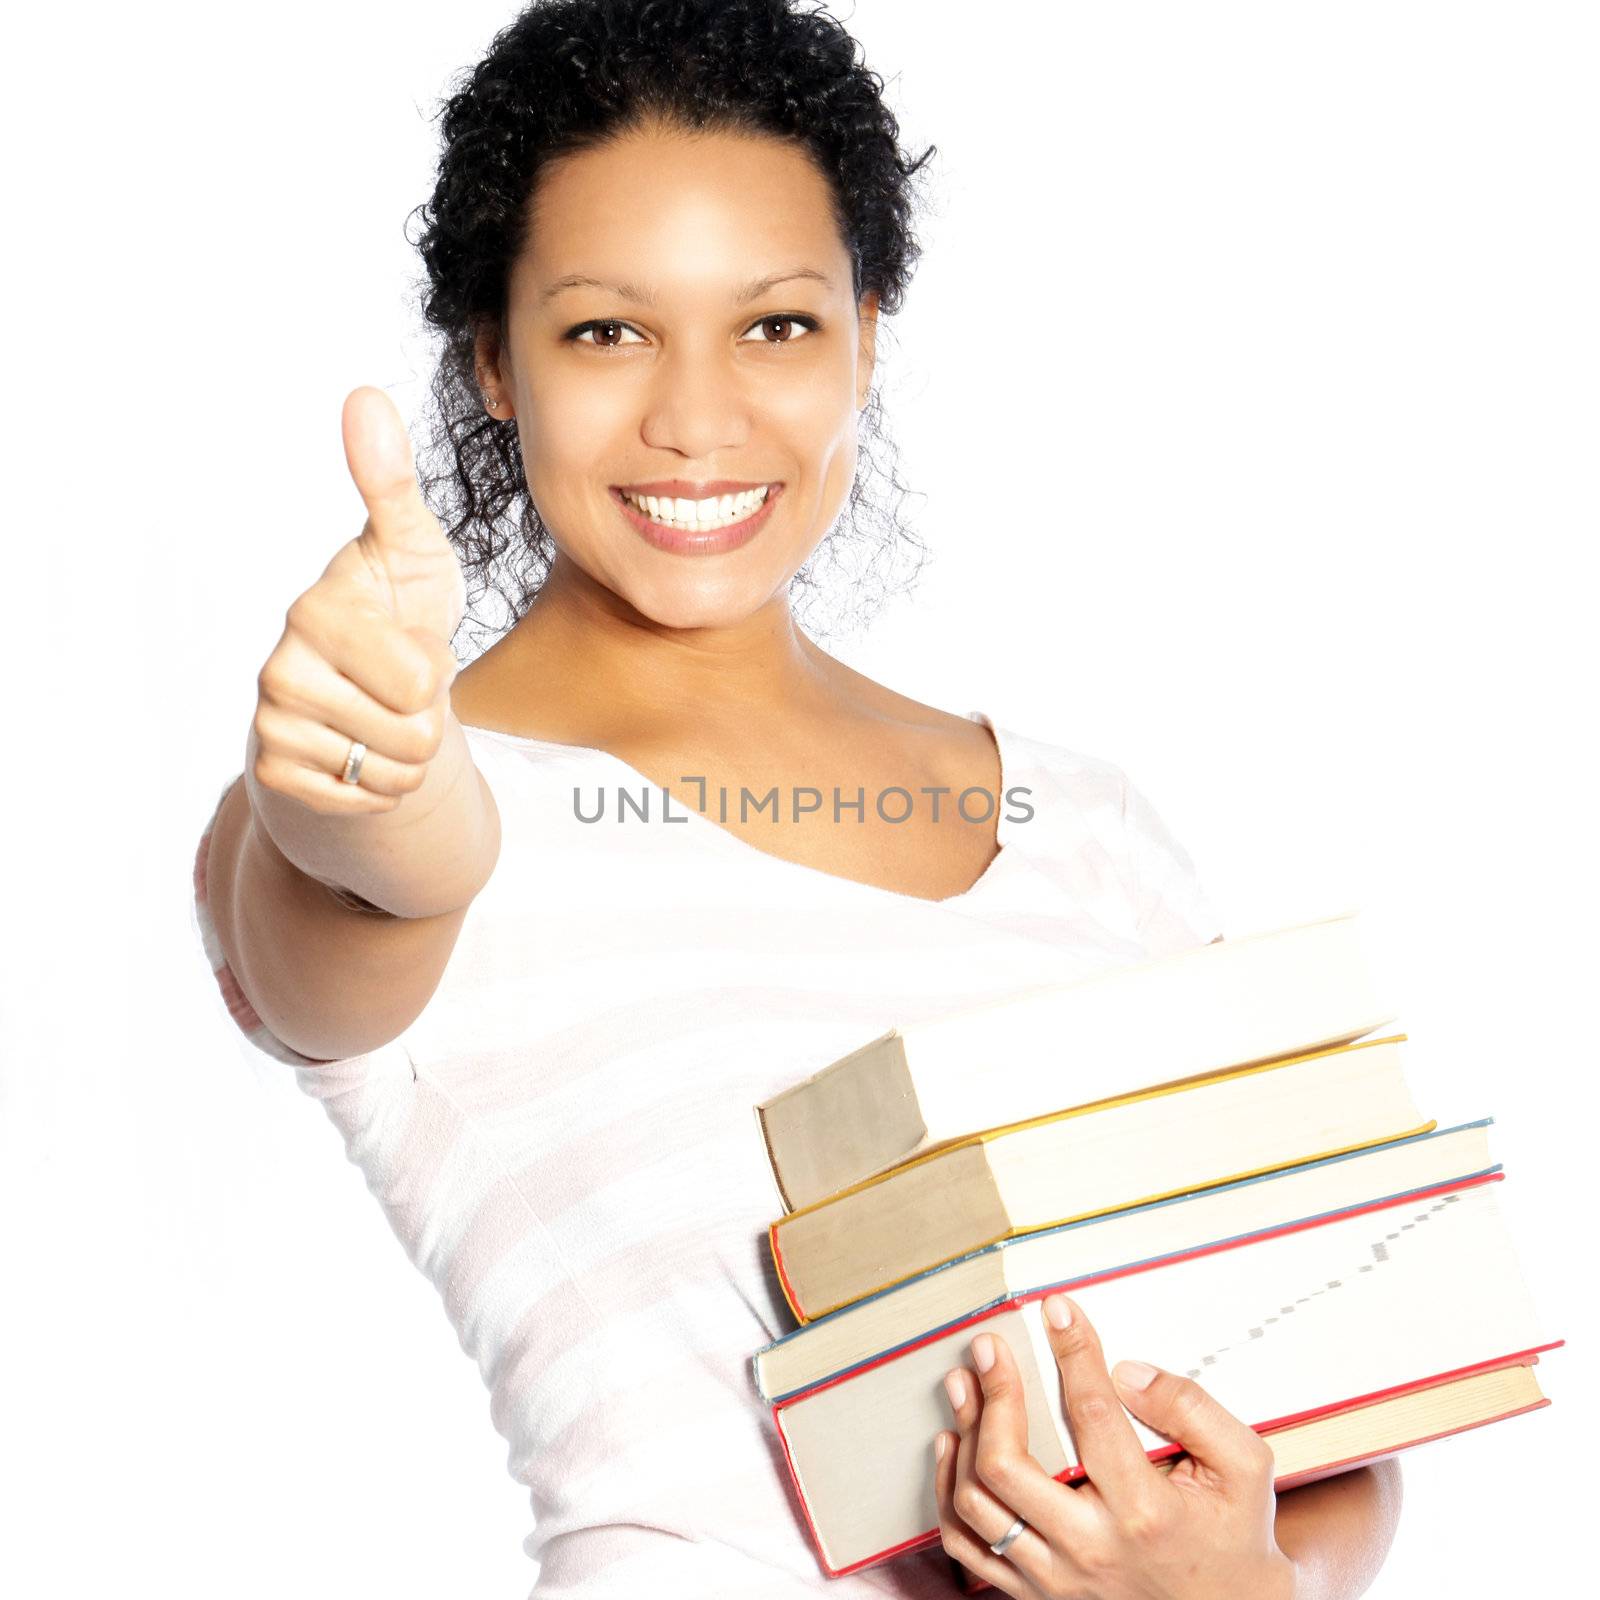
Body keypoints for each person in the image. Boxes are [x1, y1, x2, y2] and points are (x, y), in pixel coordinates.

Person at [191, 1, 1402, 1594]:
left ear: (867, 334)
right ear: (492, 358)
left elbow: (1340, 1389)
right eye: (605, 331)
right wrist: (370, 795)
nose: (699, 418)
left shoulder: (1081, 824)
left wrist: (1240, 1584)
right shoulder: (394, 780)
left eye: (774, 326)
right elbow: (362, 896)